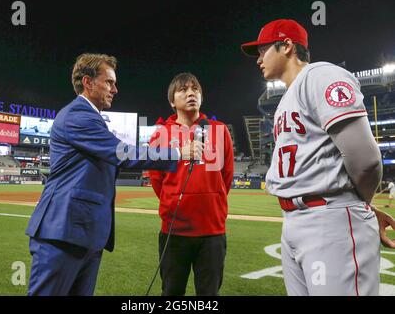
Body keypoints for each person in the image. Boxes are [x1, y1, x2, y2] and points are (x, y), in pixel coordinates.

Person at [25, 53, 202, 296]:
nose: (115, 89)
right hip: (63, 232)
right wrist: (178, 152)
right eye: (109, 82)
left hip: (84, 234)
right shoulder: (77, 115)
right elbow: (123, 153)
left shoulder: (92, 118)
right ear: (87, 82)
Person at [241, 19, 395, 296]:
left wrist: (359, 206)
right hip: (296, 221)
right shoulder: (287, 98)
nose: (259, 59)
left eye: (263, 50)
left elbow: (367, 160)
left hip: (328, 222)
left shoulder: (320, 75)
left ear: (287, 45)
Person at [149, 72, 234, 296]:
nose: (190, 93)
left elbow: (226, 176)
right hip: (175, 230)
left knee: (209, 295)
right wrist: (174, 199)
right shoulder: (161, 134)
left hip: (212, 231)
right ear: (171, 101)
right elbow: (157, 180)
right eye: (183, 90)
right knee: (171, 293)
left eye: (195, 89)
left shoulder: (219, 130)